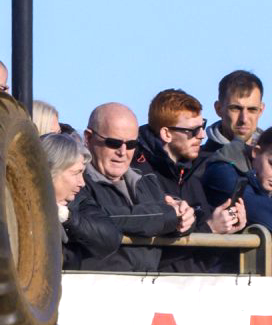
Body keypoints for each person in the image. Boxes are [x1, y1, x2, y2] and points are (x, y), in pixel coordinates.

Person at [135, 88, 245, 272]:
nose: (201, 135)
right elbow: (150, 252)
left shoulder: (193, 171)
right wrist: (211, 229)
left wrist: (227, 225)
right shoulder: (139, 174)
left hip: (196, 287)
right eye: (193, 131)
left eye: (202, 126)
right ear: (166, 134)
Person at [74, 102, 190, 271]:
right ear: (88, 138)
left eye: (131, 145)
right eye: (113, 143)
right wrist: (163, 216)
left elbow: (170, 216)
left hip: (146, 289)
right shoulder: (75, 181)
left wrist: (185, 217)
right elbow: (95, 218)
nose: (122, 152)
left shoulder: (147, 181)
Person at [42, 131, 119, 270]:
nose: (82, 182)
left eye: (82, 173)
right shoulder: (11, 204)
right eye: (76, 173)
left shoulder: (78, 200)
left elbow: (110, 237)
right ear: (50, 171)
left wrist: (66, 216)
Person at [206, 70, 263, 154]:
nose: (244, 119)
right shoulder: (194, 164)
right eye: (236, 108)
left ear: (261, 111)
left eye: (252, 110)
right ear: (218, 109)